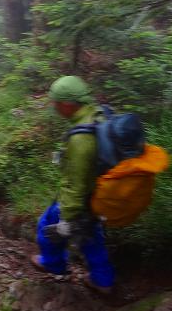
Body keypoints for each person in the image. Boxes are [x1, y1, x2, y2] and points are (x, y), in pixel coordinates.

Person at [30, 75, 116, 295]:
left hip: (80, 199)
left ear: (68, 104)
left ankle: (53, 264)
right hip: (98, 196)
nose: (54, 107)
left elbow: (75, 184)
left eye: (56, 102)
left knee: (46, 228)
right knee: (91, 238)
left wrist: (66, 217)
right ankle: (103, 281)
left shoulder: (80, 140)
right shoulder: (98, 114)